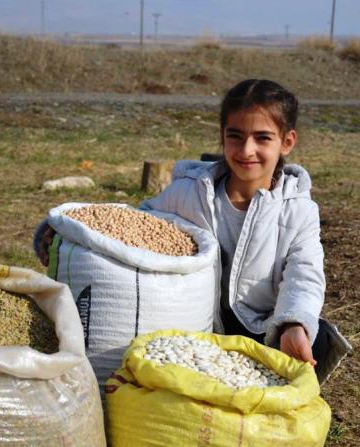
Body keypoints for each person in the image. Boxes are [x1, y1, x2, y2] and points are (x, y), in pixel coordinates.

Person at [36, 79, 325, 368]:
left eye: (262, 138)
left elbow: (304, 275)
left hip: (259, 330)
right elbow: (134, 228)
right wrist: (61, 235)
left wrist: (293, 325)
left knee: (317, 337)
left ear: (287, 142)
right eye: (235, 136)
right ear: (223, 137)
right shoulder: (190, 193)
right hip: (189, 327)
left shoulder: (299, 211)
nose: (246, 150)